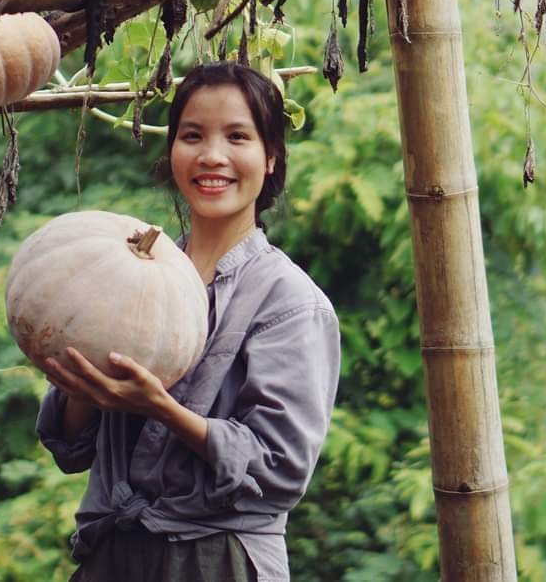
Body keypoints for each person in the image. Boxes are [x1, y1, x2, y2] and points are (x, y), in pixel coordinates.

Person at [37, 62, 341, 581]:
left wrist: (160, 407)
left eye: (237, 137)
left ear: (271, 157)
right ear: (172, 149)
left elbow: (280, 470)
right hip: (110, 556)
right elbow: (69, 448)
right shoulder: (131, 272)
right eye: (193, 135)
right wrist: (85, 381)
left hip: (217, 559)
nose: (211, 156)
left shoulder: (290, 301)